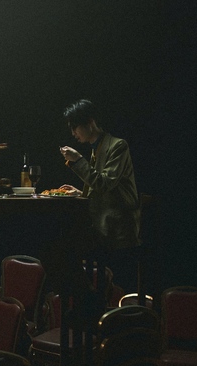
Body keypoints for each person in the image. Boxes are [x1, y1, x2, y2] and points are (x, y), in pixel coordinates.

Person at [58, 99, 141, 291]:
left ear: (90, 122)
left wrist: (78, 160)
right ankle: (86, 297)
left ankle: (88, 297)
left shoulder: (117, 146)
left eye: (75, 127)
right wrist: (80, 192)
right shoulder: (98, 147)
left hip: (117, 227)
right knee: (62, 246)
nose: (73, 133)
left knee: (65, 249)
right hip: (102, 224)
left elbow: (104, 183)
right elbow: (101, 186)